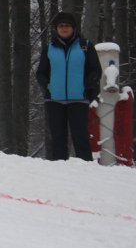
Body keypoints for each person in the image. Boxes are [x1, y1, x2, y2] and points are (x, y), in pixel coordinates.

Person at [35, 11, 102, 162]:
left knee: (80, 137)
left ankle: (85, 168)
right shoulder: (49, 48)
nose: (64, 28)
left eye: (67, 25)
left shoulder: (85, 46)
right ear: (56, 29)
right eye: (61, 26)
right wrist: (48, 86)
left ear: (73, 28)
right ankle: (59, 170)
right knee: (58, 138)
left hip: (79, 99)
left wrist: (87, 85)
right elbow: (41, 73)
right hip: (54, 100)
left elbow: (95, 70)